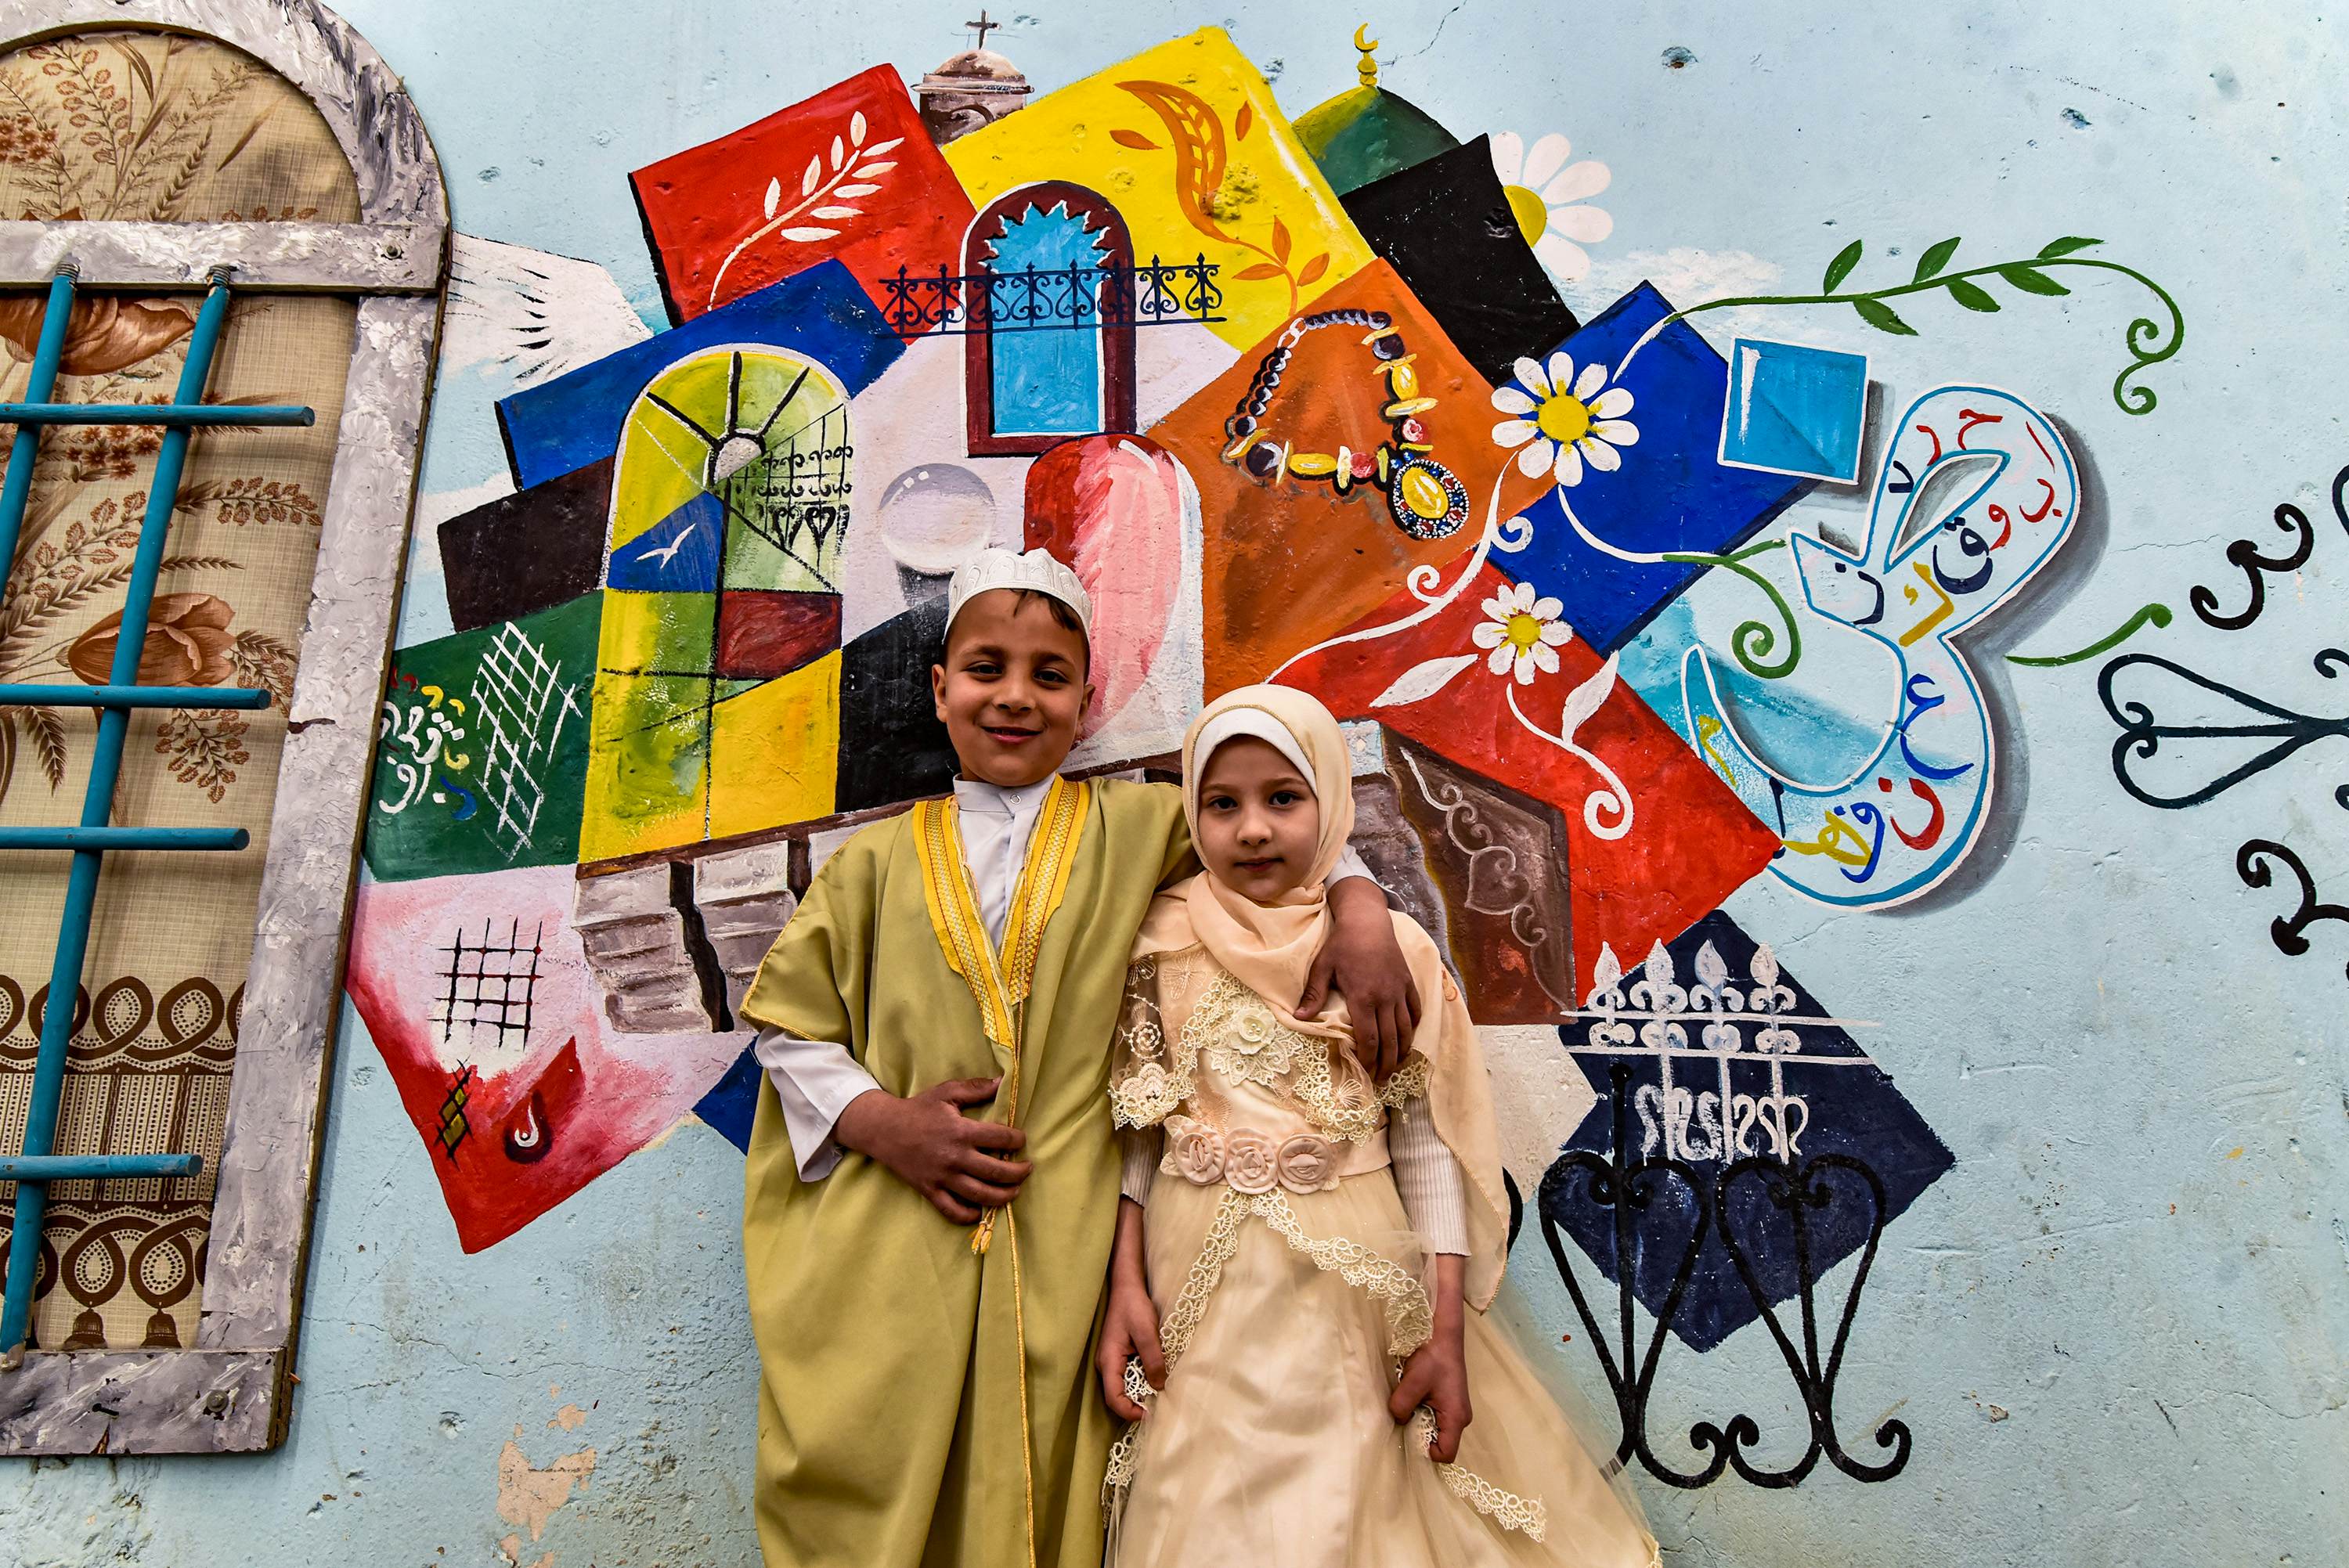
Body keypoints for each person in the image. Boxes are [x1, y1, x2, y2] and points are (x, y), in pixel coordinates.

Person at [735, 548, 1416, 1568]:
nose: (1015, 696)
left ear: (1085, 696)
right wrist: (886, 1122)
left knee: (1046, 1482)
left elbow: (1281, 831)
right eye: (986, 668)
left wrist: (1360, 904)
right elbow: (789, 1027)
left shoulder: (1143, 827)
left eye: (1048, 675)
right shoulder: (868, 863)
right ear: (940, 687)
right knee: (876, 1486)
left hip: (1066, 1253)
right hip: (892, 1239)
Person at [1099, 684, 1658, 1568]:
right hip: (1188, 1279)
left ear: (1328, 806)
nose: (1251, 828)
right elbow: (1137, 1132)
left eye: (1283, 798)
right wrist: (1123, 1284)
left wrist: (1442, 1325)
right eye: (1222, 802)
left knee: (1357, 1489)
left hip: (1356, 1285)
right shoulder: (1161, 940)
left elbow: (1426, 1143)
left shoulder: (1387, 950)